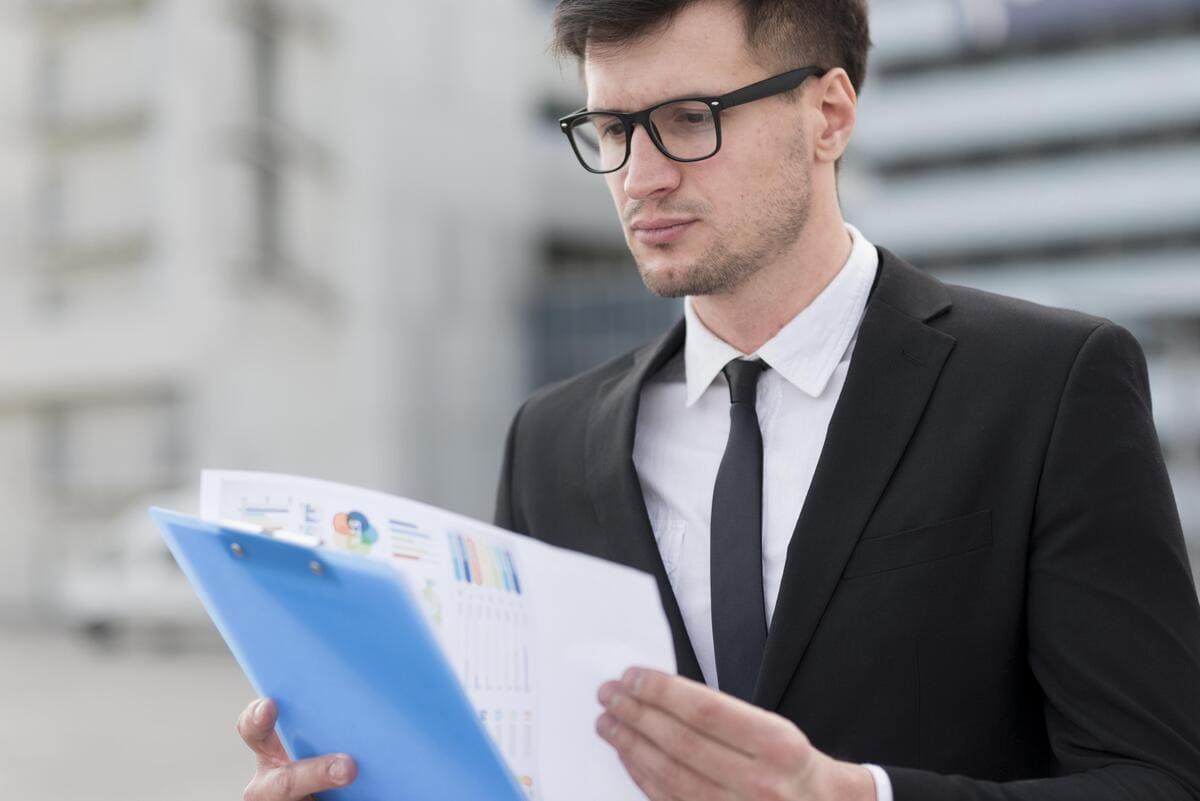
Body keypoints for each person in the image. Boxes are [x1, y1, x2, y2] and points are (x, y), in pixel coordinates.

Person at [235, 1, 1200, 799]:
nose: (642, 177)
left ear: (829, 114)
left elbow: (1157, 778)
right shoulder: (551, 441)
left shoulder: (1051, 384)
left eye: (690, 118)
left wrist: (853, 795)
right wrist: (371, 781)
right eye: (611, 130)